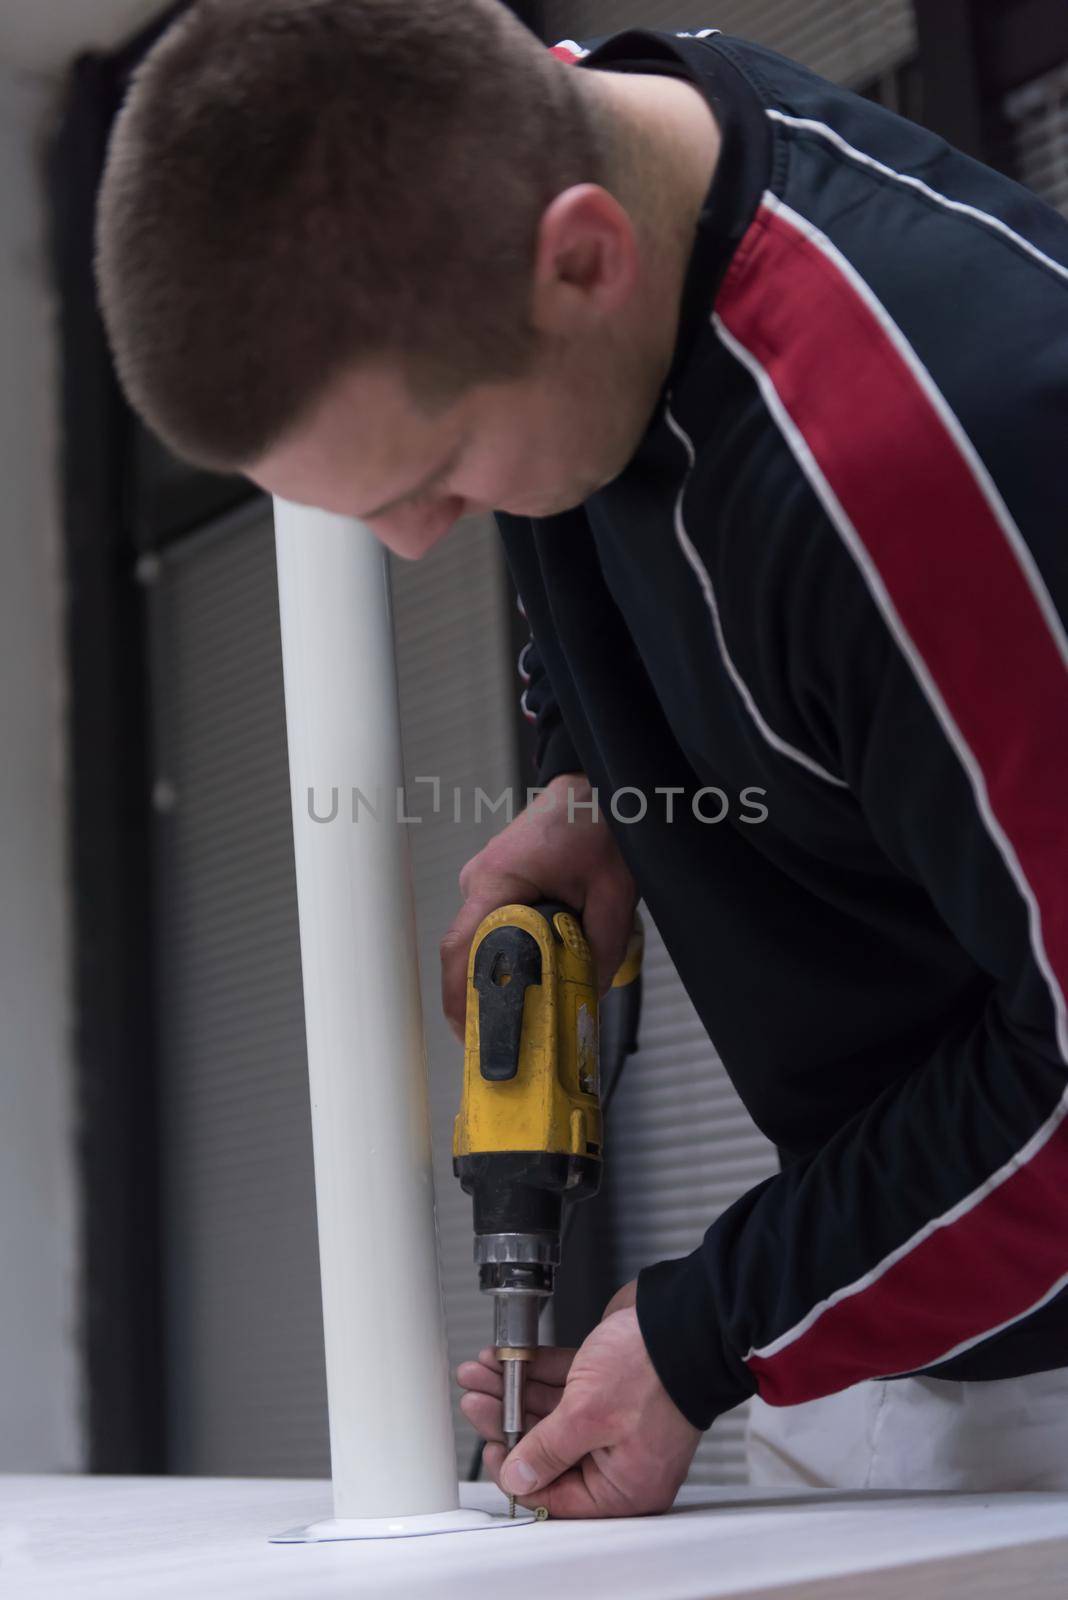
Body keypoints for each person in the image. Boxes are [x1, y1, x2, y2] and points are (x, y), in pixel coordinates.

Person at [95, 0, 1068, 1515]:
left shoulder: (928, 454)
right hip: (919, 1322)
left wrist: (702, 1330)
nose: (417, 543)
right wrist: (597, 785)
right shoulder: (586, 165)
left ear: (583, 259)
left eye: (430, 475)